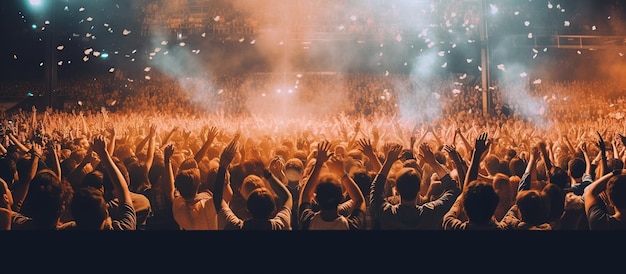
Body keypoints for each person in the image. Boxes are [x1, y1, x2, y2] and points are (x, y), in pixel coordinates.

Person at [370, 142, 460, 230]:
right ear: (419, 188)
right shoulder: (430, 213)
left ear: (396, 189)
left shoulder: (386, 213)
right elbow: (452, 189)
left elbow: (376, 189)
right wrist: (433, 162)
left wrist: (388, 162)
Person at [213, 136, 292, 230]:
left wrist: (222, 166)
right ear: (273, 208)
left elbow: (218, 200)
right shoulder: (279, 226)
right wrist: (269, 176)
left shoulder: (236, 227)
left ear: (247, 208)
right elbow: (287, 197)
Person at [70, 135, 136, 230]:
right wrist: (104, 155)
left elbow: (67, 180)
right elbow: (124, 192)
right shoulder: (124, 228)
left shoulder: (66, 227)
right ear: (106, 213)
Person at [299, 140, 366, 230]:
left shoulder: (308, 221)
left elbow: (306, 194)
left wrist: (318, 164)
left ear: (316, 198)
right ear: (342, 198)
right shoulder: (350, 226)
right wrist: (343, 173)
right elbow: (359, 200)